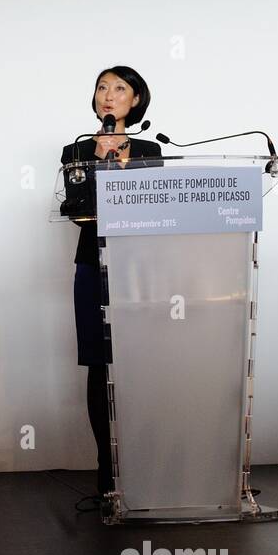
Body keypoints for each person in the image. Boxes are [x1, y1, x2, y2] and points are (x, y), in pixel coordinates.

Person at [59, 66, 162, 498]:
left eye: (120, 89)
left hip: (138, 266)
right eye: (102, 87)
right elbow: (76, 205)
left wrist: (123, 166)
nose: (108, 95)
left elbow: (154, 206)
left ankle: (143, 465)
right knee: (100, 365)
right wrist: (101, 161)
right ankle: (107, 469)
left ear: (135, 100)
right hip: (92, 264)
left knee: (138, 363)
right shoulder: (76, 150)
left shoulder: (149, 149)